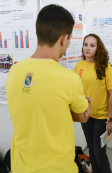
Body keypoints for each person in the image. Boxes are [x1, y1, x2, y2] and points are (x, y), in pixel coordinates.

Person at [5, 5, 91, 173]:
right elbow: (83, 117)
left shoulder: (14, 71)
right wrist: (86, 105)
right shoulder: (69, 79)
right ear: (63, 39)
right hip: (57, 168)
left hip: (19, 166)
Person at [74, 33, 112, 173]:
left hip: (101, 117)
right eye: (85, 45)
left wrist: (110, 119)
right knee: (92, 151)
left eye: (92, 45)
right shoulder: (79, 65)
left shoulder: (105, 67)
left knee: (99, 153)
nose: (88, 48)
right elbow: (76, 90)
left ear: (98, 48)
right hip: (85, 115)